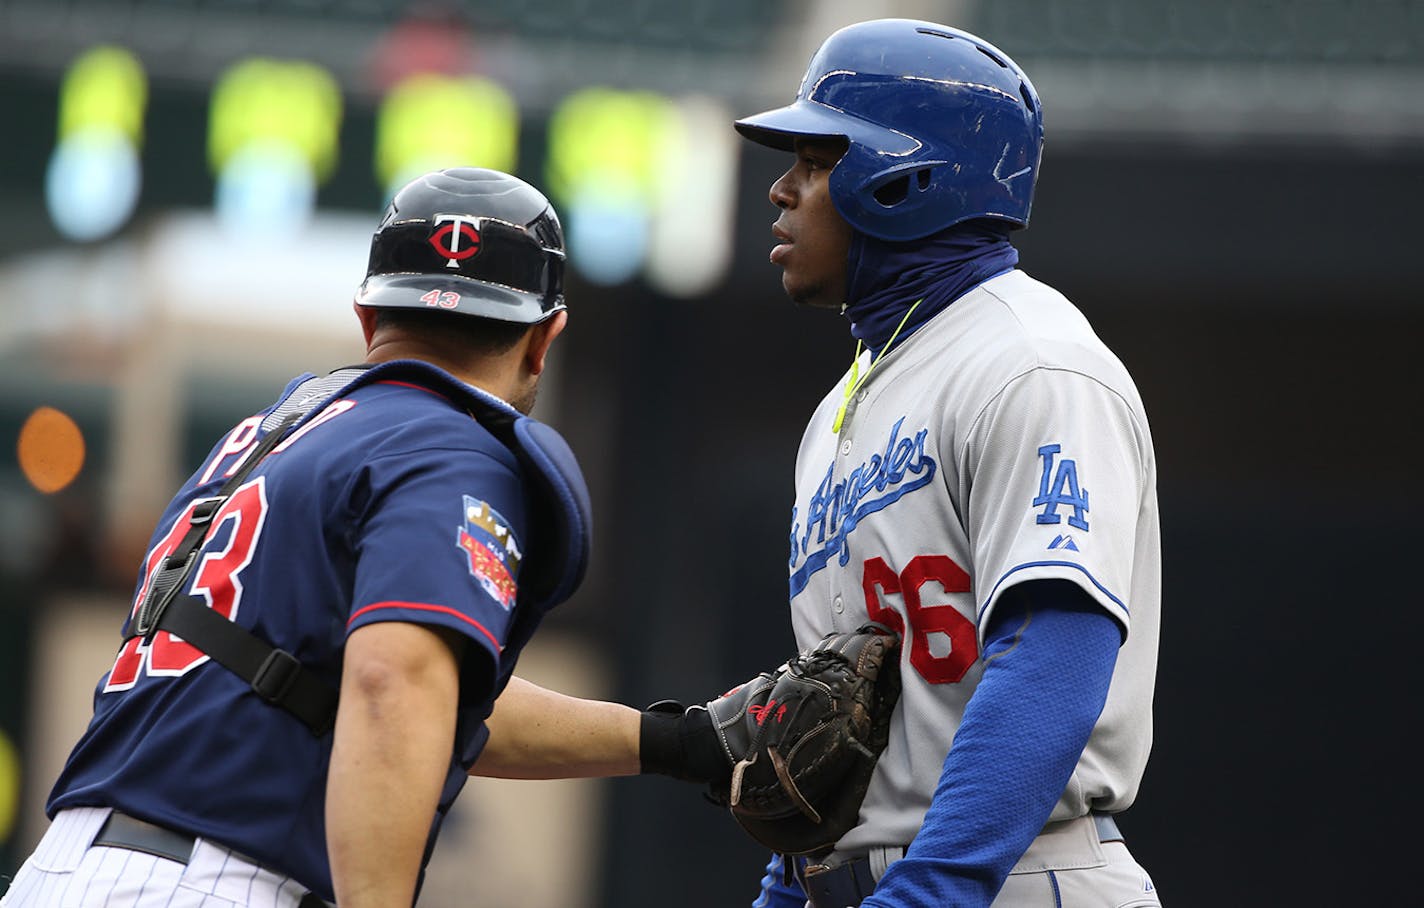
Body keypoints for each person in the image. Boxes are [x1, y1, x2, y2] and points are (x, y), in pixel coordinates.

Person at [0, 167, 595, 908]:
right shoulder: (452, 447)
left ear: (368, 316)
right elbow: (395, 681)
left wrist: (673, 742)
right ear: (545, 337)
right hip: (216, 883)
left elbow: (424, 688)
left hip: (62, 871)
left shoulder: (270, 438)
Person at [731, 18, 1164, 908]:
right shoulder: (847, 403)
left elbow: (1055, 654)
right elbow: (844, 723)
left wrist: (933, 891)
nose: (780, 190)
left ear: (902, 178)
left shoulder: (1034, 364)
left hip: (1014, 876)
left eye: (814, 160)